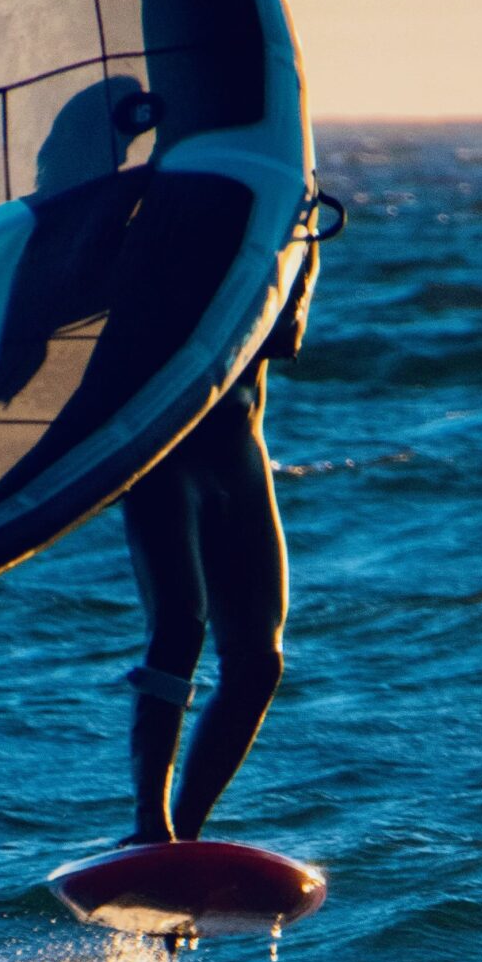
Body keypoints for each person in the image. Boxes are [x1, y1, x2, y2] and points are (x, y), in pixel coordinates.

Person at [120, 224, 322, 844]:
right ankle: (150, 825)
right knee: (181, 624)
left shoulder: (280, 195)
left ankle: (184, 836)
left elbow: (284, 338)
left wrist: (301, 245)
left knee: (258, 663)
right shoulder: (157, 209)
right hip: (163, 449)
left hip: (238, 451)